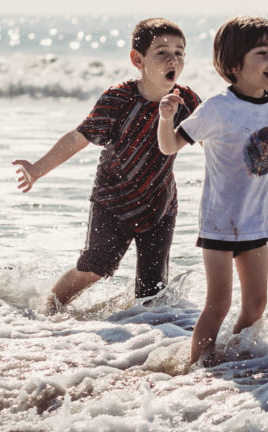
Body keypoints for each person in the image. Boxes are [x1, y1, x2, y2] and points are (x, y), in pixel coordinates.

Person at [157, 16, 268, 365]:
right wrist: (165, 119)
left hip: (255, 222)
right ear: (233, 66)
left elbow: (264, 143)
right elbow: (169, 147)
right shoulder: (217, 108)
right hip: (220, 223)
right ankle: (196, 368)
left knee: (256, 305)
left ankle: (233, 359)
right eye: (262, 52)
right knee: (218, 304)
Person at [13, 18, 202, 313]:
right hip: (113, 201)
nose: (173, 59)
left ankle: (145, 338)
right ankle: (46, 310)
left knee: (152, 288)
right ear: (137, 59)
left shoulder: (187, 100)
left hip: (159, 205)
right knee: (94, 268)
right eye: (162, 52)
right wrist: (37, 170)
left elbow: (213, 140)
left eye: (179, 52)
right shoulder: (118, 99)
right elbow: (78, 137)